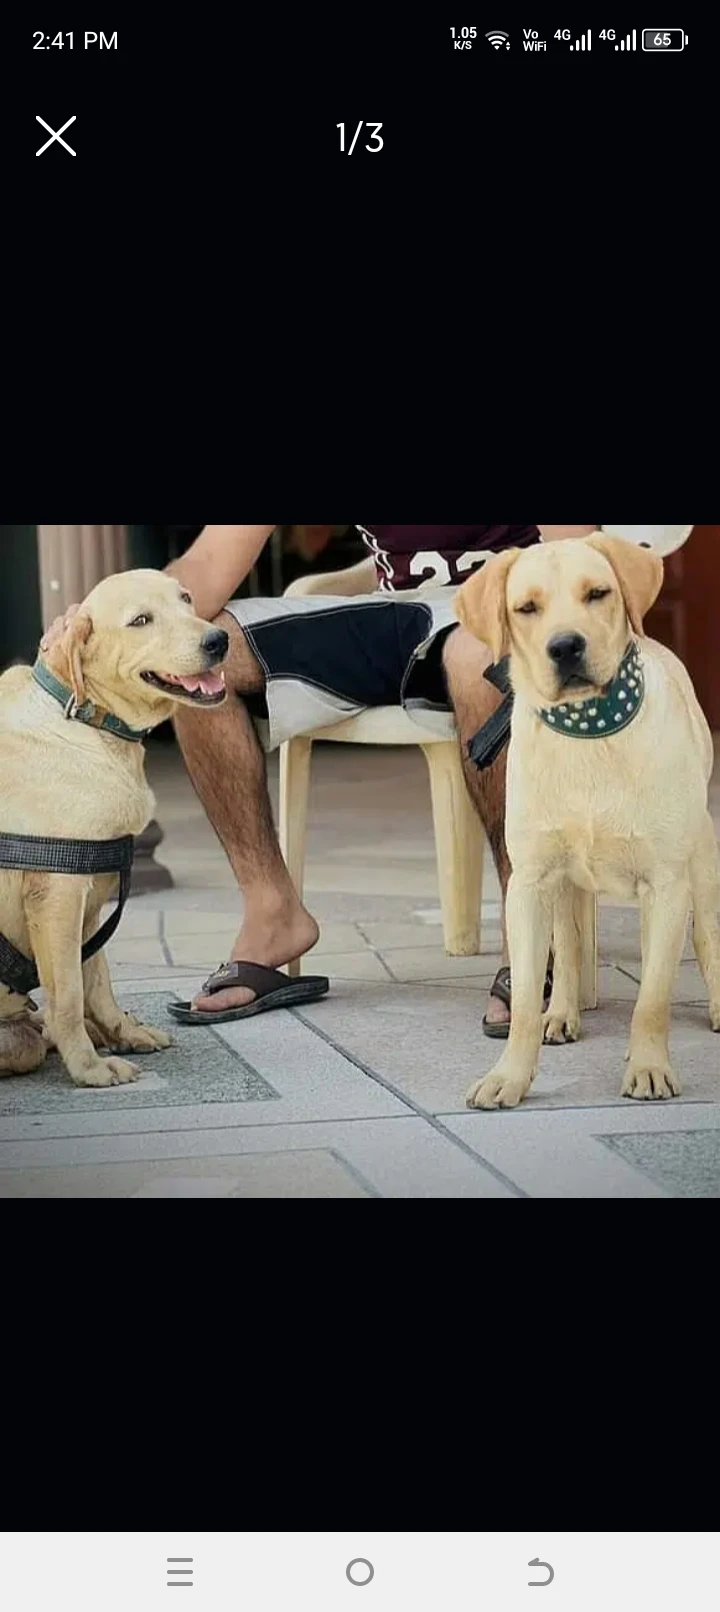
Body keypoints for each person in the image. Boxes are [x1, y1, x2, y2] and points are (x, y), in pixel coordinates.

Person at [43, 524, 598, 1033]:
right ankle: (272, 912)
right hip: (393, 611)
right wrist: (96, 622)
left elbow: (578, 554)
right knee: (198, 653)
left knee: (482, 659)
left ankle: (528, 933)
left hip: (502, 610)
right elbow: (209, 563)